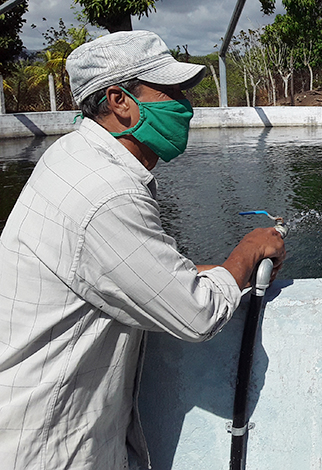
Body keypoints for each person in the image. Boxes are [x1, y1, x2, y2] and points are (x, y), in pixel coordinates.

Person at [0, 31, 285, 469]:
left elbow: (119, 269)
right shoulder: (107, 193)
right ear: (119, 100)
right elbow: (196, 314)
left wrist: (196, 269)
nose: (185, 105)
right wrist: (247, 252)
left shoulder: (73, 157)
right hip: (47, 446)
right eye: (169, 92)